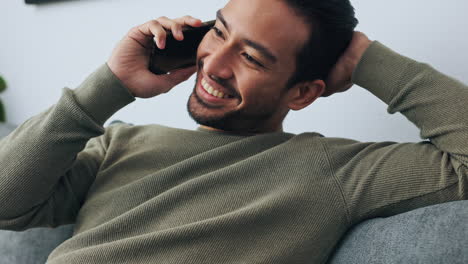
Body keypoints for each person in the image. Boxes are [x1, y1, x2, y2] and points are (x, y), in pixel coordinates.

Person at [0, 0, 467, 263]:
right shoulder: (119, 143)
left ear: (302, 93)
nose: (215, 65)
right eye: (219, 32)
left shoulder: (335, 173)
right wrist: (108, 86)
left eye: (252, 57)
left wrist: (369, 60)